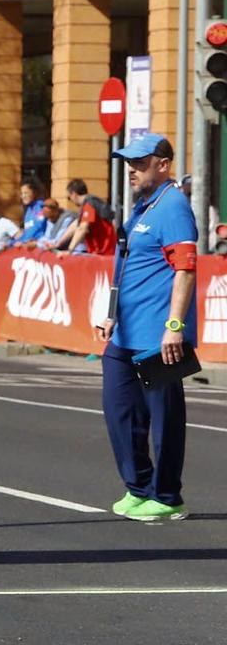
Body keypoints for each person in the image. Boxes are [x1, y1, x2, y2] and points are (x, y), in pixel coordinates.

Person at [97, 134, 197, 523]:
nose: (132, 169)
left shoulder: (173, 207)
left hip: (159, 336)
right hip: (124, 332)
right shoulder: (142, 207)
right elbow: (124, 267)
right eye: (129, 162)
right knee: (119, 410)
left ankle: (168, 496)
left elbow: (185, 270)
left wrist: (175, 326)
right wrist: (111, 314)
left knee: (166, 419)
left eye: (140, 162)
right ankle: (139, 488)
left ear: (163, 163)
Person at [55, 178, 117, 256]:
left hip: (102, 254)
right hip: (103, 253)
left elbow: (82, 228)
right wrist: (58, 244)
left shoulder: (89, 205)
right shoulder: (91, 203)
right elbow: (75, 226)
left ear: (73, 194)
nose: (70, 200)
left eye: (69, 197)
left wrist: (69, 251)